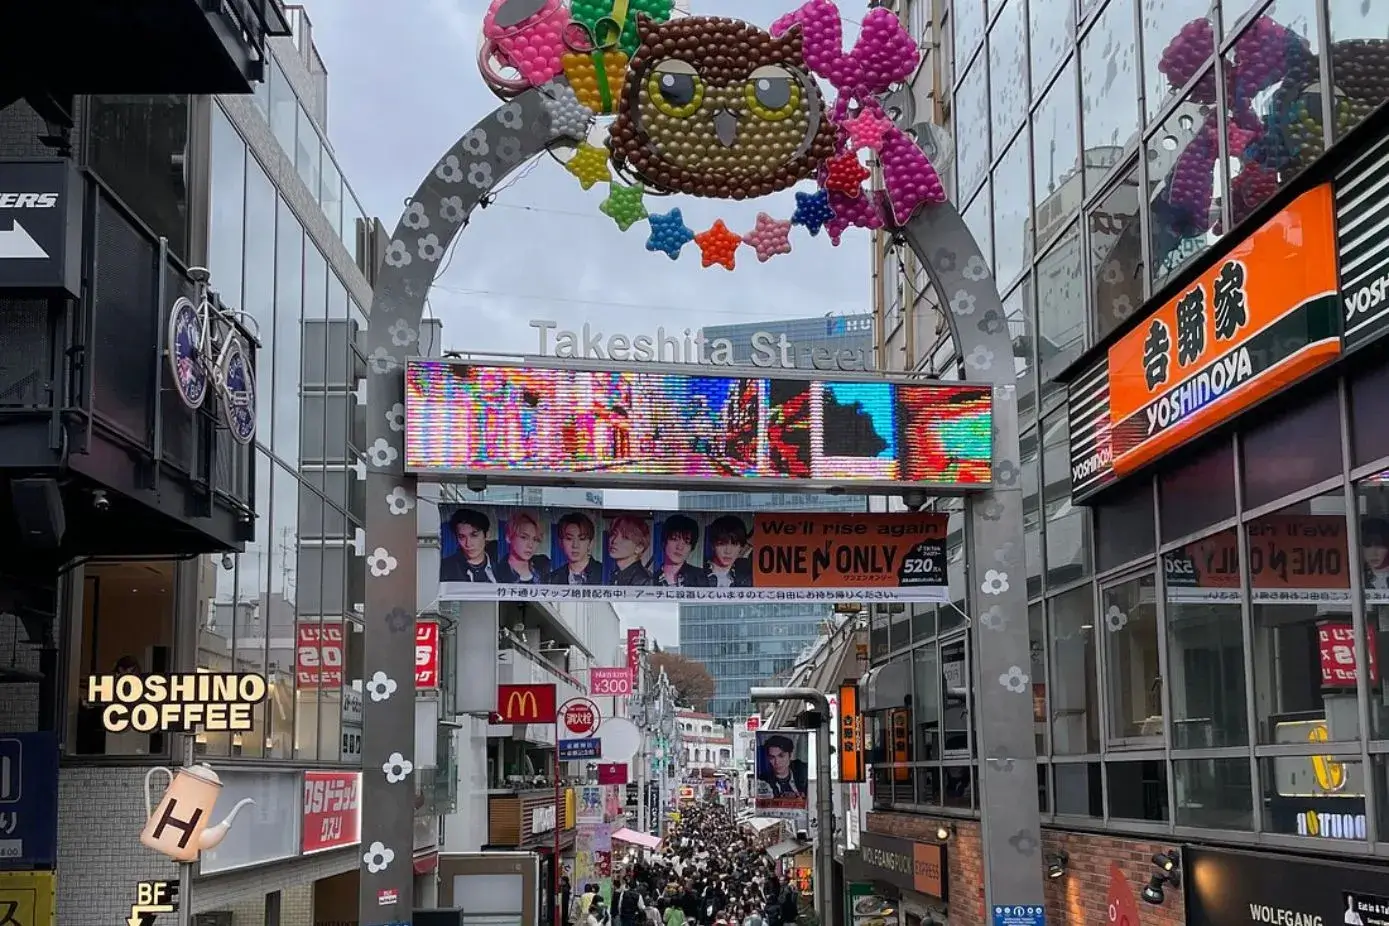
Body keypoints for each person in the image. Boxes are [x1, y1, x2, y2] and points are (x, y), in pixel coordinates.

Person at [439, 508, 497, 582]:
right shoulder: (445, 568)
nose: (468, 544)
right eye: (462, 537)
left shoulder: (502, 567)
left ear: (486, 535)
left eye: (474, 535)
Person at [549, 511, 604, 585]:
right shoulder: (552, 578)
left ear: (590, 543)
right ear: (560, 542)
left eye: (582, 539)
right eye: (569, 538)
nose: (575, 545)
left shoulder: (604, 573)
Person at [495, 510, 550, 584]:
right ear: (508, 537)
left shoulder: (544, 566)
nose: (530, 545)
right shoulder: (497, 573)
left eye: (535, 539)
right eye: (524, 537)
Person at [704, 515, 752, 588]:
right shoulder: (697, 573)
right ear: (713, 545)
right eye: (722, 544)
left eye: (734, 544)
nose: (728, 551)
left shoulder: (746, 577)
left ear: (741, 547)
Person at [656, 515, 704, 588]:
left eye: (687, 542)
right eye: (675, 539)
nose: (680, 547)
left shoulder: (700, 577)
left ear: (692, 548)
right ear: (664, 541)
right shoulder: (649, 578)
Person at [607, 515, 653, 586]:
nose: (614, 540)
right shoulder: (615, 574)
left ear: (639, 547)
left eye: (625, 538)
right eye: (614, 534)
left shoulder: (644, 580)